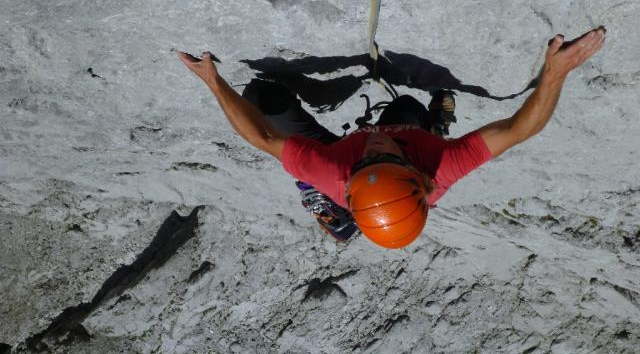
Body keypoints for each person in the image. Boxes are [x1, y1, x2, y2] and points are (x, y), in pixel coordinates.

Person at [178, 26, 606, 248]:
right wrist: (555, 73)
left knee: (261, 99)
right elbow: (520, 129)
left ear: (350, 183)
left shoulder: (331, 171)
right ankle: (432, 124)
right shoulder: (440, 165)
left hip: (332, 171)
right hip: (414, 140)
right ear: (417, 175)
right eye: (386, 156)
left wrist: (214, 82)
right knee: (410, 113)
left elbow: (261, 135)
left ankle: (338, 220)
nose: (374, 143)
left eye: (368, 159)